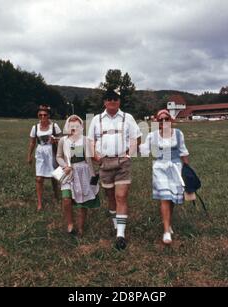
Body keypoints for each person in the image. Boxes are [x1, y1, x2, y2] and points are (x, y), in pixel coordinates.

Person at [87, 89, 142, 250]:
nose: (112, 101)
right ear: (104, 102)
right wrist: (95, 156)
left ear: (119, 101)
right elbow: (91, 140)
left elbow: (137, 138)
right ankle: (116, 224)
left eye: (115, 99)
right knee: (111, 197)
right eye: (109, 99)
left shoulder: (127, 118)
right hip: (104, 163)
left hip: (122, 163)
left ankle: (120, 235)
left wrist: (128, 154)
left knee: (121, 196)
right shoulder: (97, 119)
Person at [140, 110, 190, 245]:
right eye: (161, 120)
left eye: (166, 119)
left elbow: (183, 151)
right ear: (157, 122)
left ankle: (168, 222)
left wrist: (188, 171)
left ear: (171, 120)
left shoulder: (178, 134)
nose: (164, 122)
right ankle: (166, 231)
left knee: (172, 197)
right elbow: (144, 151)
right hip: (160, 167)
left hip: (175, 167)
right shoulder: (152, 136)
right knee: (165, 197)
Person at [56, 115, 100, 236]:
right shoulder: (63, 140)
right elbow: (58, 156)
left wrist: (104, 159)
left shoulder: (85, 140)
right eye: (71, 126)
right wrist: (64, 165)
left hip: (84, 172)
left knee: (83, 202)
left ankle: (80, 227)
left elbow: (93, 156)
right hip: (68, 172)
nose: (74, 128)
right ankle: (70, 224)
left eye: (77, 125)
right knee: (66, 199)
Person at [27, 106, 62, 211]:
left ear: (48, 115)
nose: (42, 117)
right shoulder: (35, 127)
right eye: (40, 115)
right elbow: (32, 142)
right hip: (41, 152)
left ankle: (57, 195)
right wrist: (29, 156)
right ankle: (39, 203)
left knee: (54, 176)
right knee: (39, 178)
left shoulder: (54, 126)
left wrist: (55, 140)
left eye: (45, 115)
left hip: (52, 151)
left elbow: (62, 140)